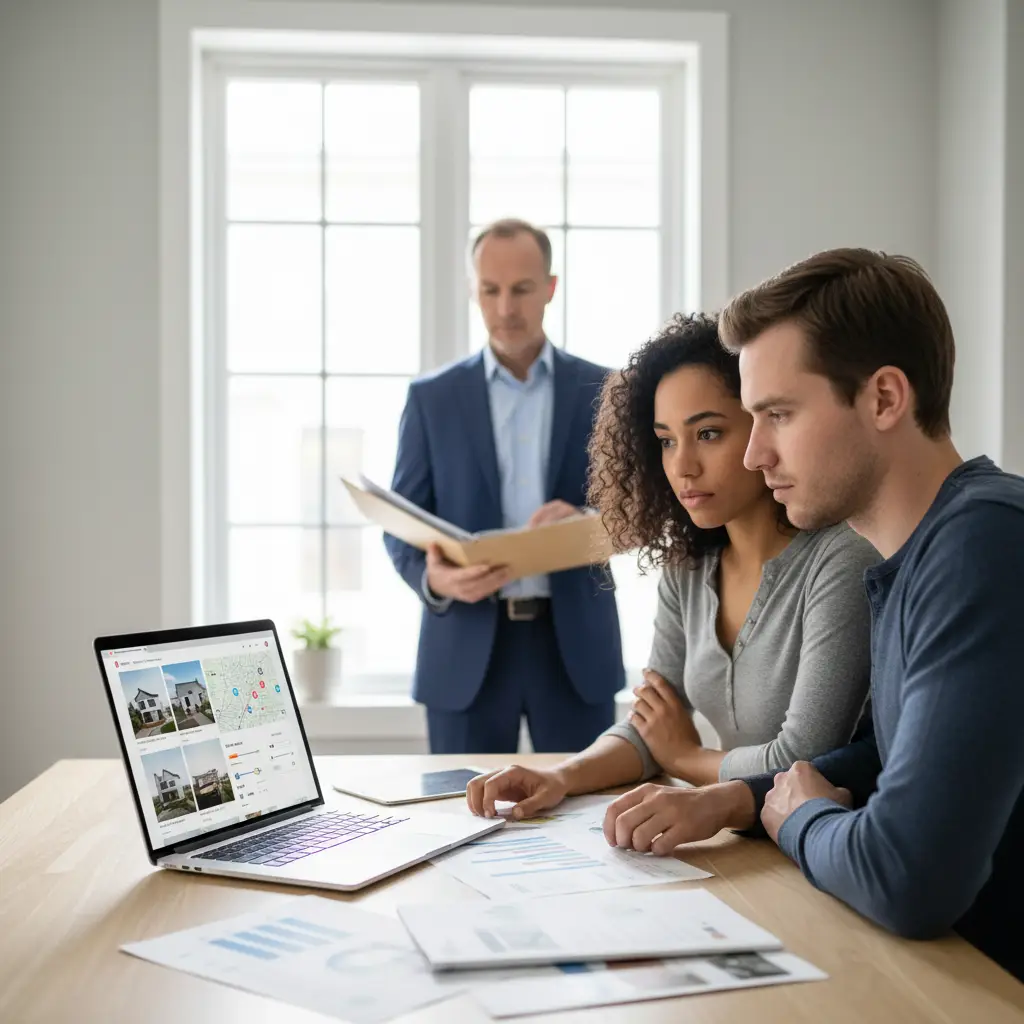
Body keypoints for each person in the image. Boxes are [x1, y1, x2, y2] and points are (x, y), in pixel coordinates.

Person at [601, 249, 1024, 981]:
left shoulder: (981, 546)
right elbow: (894, 756)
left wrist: (798, 819)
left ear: (885, 399)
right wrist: (734, 800)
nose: (756, 454)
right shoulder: (924, 551)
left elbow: (908, 877)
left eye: (779, 416)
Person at [466, 312, 877, 815]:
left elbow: (800, 761)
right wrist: (559, 776)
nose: (682, 466)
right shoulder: (688, 566)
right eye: (666, 440)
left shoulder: (840, 559)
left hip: (833, 844)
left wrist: (686, 757)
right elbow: (649, 727)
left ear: (761, 425)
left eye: (707, 433)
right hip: (749, 840)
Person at [383, 218, 624, 754]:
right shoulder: (432, 400)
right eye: (490, 290)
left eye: (521, 289)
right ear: (474, 291)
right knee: (457, 820)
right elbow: (401, 528)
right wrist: (435, 580)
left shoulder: (604, 390)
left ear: (550, 288)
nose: (506, 308)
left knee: (589, 823)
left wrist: (589, 521)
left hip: (573, 649)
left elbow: (638, 510)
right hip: (464, 650)